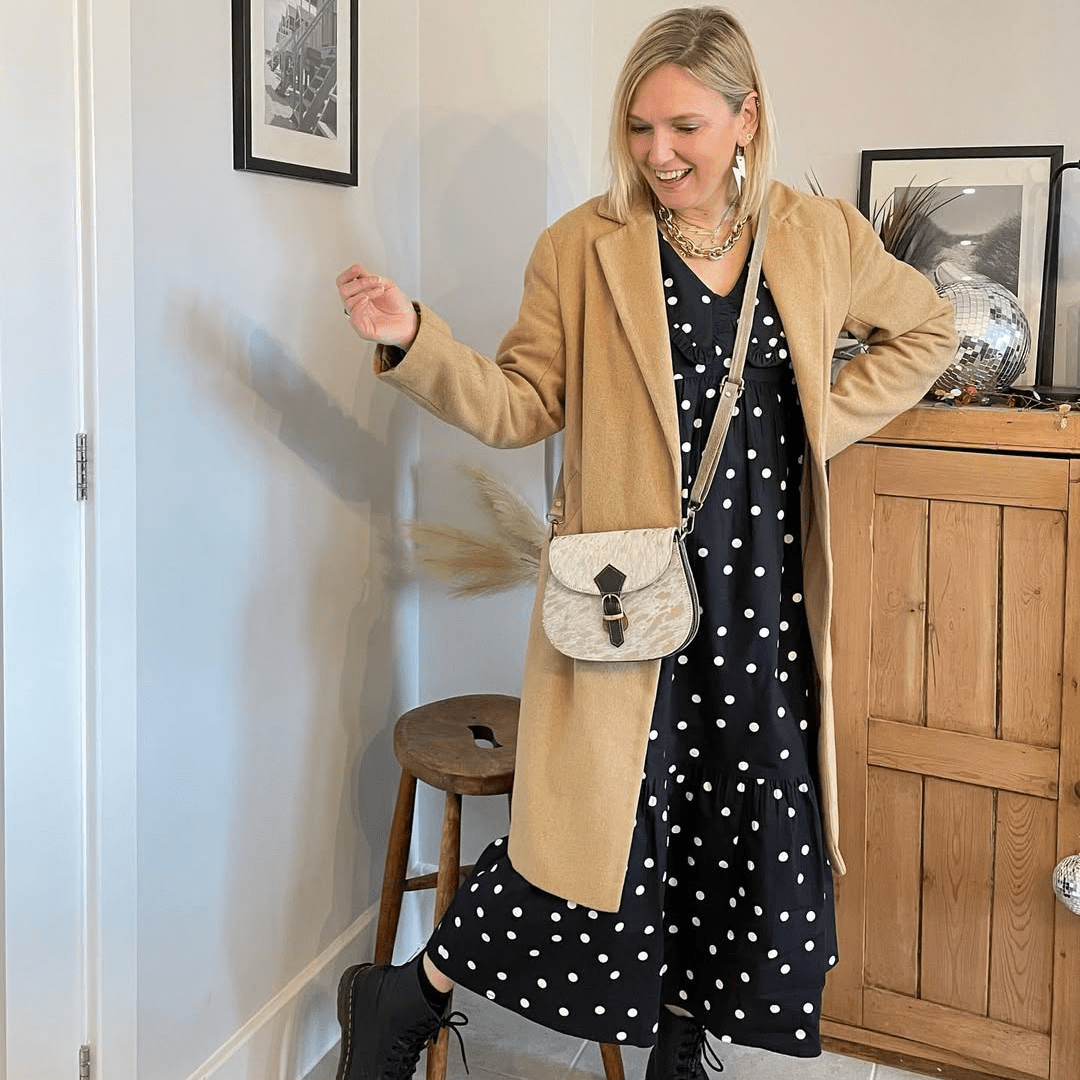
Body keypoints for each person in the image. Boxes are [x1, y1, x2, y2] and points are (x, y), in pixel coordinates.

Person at [334, 7, 956, 1079]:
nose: (659, 153)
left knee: (725, 833)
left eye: (686, 126)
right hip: (630, 602)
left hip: (762, 602)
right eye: (638, 128)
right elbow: (523, 401)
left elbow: (928, 329)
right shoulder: (584, 247)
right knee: (589, 843)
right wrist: (414, 341)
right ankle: (408, 993)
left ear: (745, 117)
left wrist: (823, 420)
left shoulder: (816, 236)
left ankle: (680, 1043)